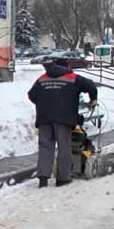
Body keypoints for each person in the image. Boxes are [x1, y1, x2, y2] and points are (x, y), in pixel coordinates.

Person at [27, 56, 98, 188]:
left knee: (45, 147)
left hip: (44, 118)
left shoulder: (42, 78)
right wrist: (93, 100)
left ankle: (43, 179)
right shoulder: (73, 77)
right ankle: (63, 179)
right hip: (64, 119)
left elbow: (31, 95)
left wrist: (45, 102)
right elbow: (91, 86)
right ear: (67, 67)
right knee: (64, 147)